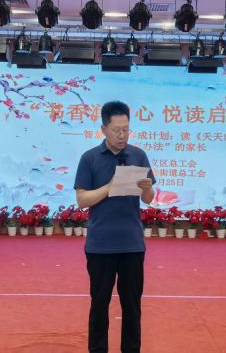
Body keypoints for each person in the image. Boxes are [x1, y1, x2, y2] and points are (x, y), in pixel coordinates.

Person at [74, 101, 156, 353]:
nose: (122, 135)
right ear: (103, 129)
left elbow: (148, 199)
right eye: (116, 130)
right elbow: (82, 200)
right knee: (99, 305)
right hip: (100, 245)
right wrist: (108, 188)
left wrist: (147, 189)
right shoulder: (89, 158)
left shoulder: (138, 155)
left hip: (132, 244)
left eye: (126, 130)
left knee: (132, 306)